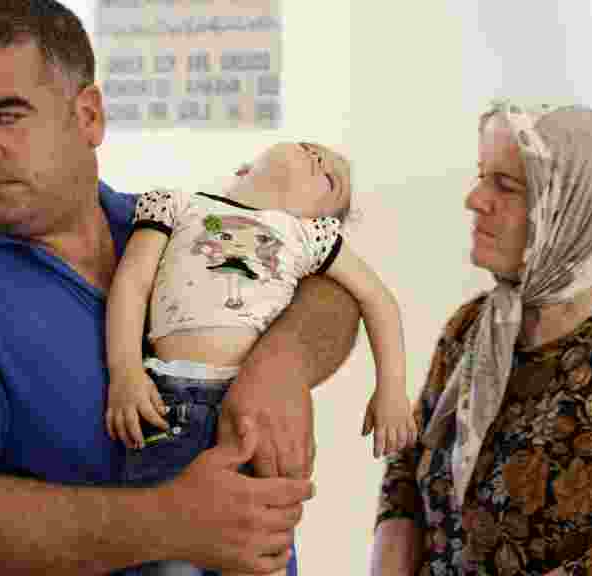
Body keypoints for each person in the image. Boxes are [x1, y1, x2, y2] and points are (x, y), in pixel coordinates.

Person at [0, 1, 362, 575]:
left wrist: (283, 364)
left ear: (89, 115)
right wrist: (172, 520)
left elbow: (330, 289)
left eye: (5, 116)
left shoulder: (165, 223)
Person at [370, 102, 592, 575]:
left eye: (506, 185)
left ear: (570, 206)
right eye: (481, 176)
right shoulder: (473, 326)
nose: (475, 199)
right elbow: (406, 470)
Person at [106, 142, 415, 576]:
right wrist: (125, 372)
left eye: (331, 180)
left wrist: (392, 389)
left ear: (320, 219)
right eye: (311, 149)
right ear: (246, 166)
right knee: (168, 561)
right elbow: (132, 284)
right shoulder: (177, 205)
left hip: (257, 424)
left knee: (256, 557)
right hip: (166, 407)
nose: (321, 161)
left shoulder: (308, 237)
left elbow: (377, 299)